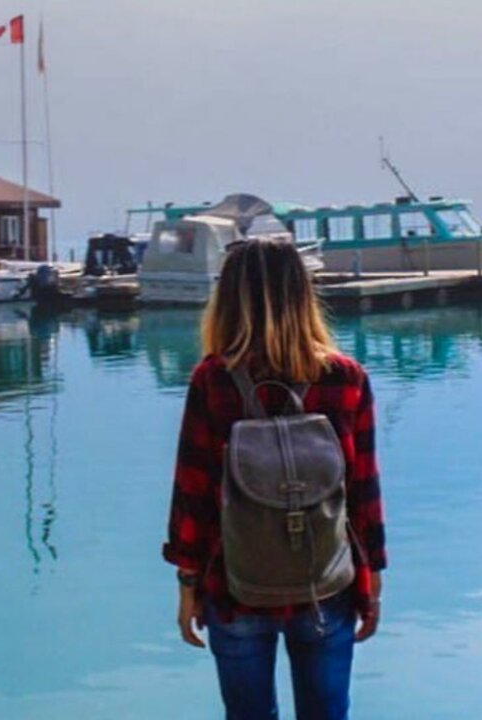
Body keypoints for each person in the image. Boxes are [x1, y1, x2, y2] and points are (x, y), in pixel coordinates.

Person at [162, 237, 386, 720]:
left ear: (228, 299)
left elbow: (193, 492)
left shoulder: (212, 380)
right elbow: (363, 493)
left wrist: (187, 583)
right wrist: (372, 584)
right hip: (325, 585)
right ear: (302, 295)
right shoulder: (347, 378)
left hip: (234, 585)